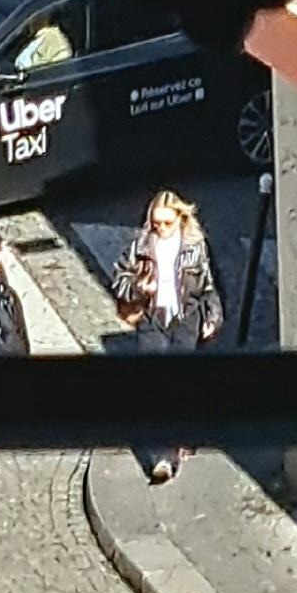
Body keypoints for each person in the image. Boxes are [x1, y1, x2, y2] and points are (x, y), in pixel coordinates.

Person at [111, 183, 221, 484]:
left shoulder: (195, 247)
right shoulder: (141, 246)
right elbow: (118, 279)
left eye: (167, 223)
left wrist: (213, 317)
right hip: (152, 318)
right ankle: (163, 456)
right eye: (156, 223)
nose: (161, 228)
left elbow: (208, 286)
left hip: (186, 320)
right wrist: (137, 288)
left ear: (181, 219)